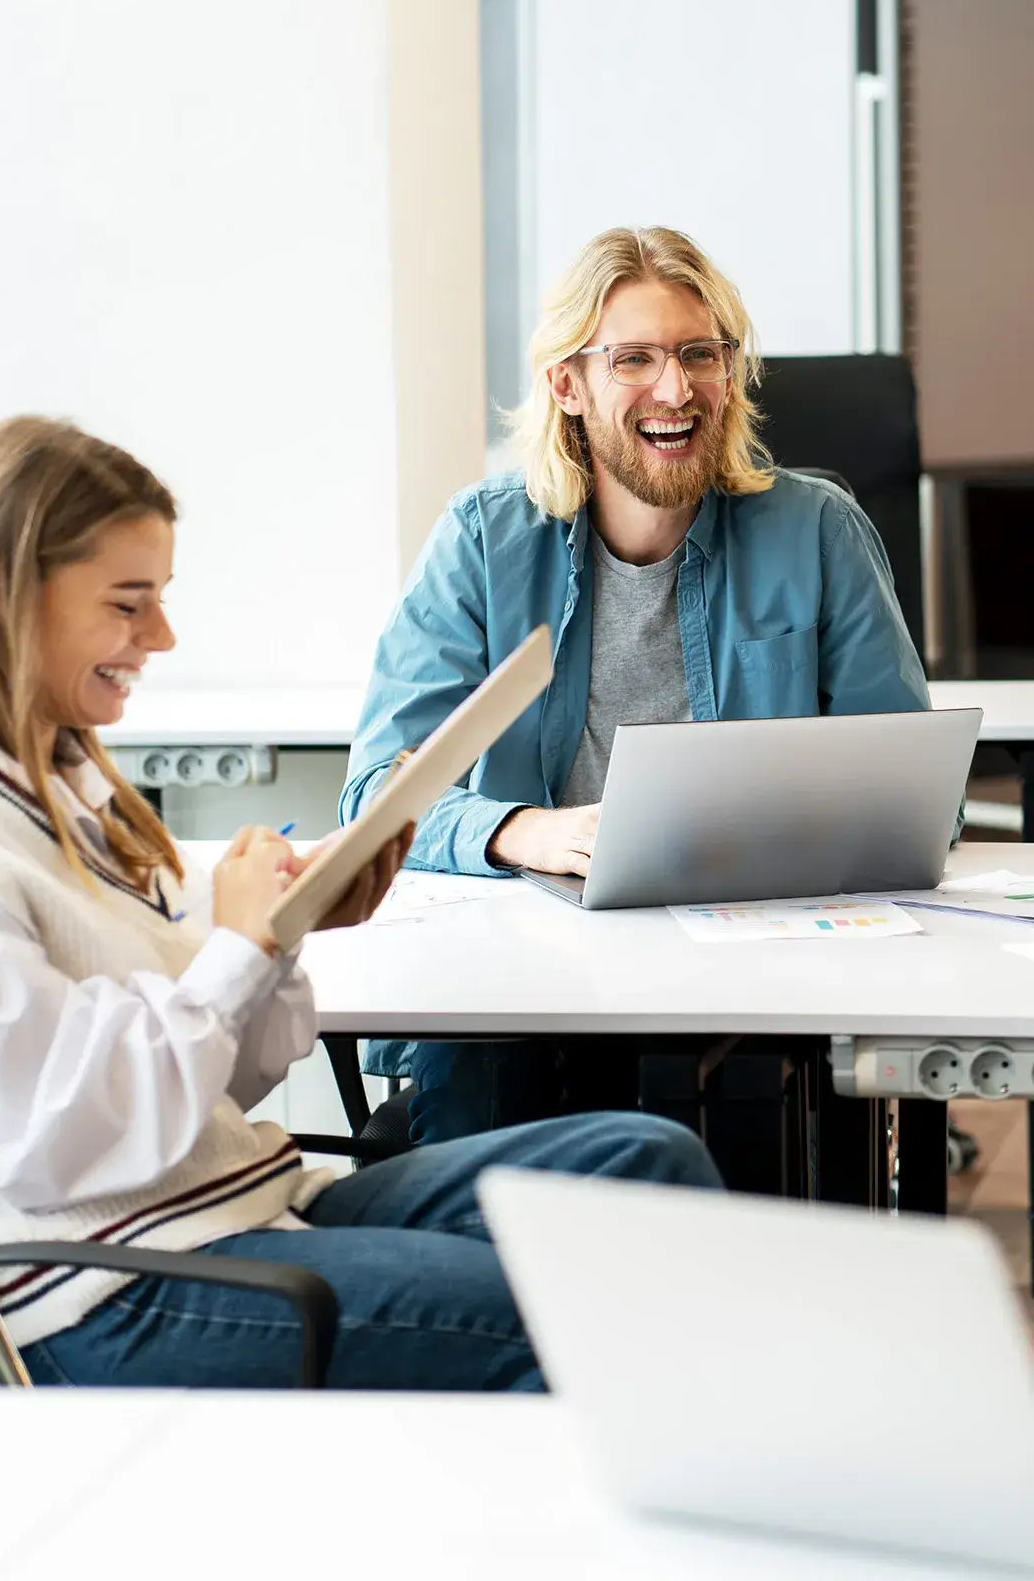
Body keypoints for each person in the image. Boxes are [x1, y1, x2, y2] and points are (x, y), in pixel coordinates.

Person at [0, 415, 721, 1390]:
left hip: (238, 1203)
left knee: (647, 1163)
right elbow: (46, 1150)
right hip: (116, 1284)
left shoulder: (66, 783)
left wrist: (289, 931)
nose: (160, 638)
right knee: (577, 1313)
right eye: (129, 604)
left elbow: (218, 1086)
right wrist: (239, 948)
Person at [342, 225, 940, 1145]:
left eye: (700, 354)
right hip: (528, 979)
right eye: (635, 359)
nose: (676, 389)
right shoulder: (484, 542)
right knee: (487, 1107)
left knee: (771, 1134)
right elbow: (377, 791)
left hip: (751, 968)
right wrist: (528, 832)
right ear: (567, 386)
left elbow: (910, 792)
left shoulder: (818, 531)